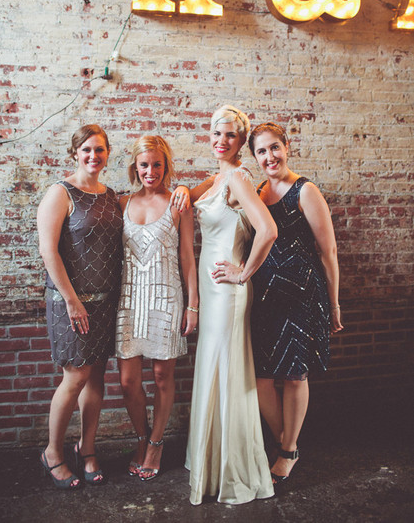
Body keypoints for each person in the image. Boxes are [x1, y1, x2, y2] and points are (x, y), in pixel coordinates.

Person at [174, 105, 277, 505]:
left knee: (228, 370)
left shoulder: (237, 177)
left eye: (230, 135)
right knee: (214, 366)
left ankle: (232, 468)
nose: (221, 140)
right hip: (211, 292)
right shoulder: (219, 176)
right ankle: (212, 462)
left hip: (228, 292)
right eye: (216, 133)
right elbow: (192, 196)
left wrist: (243, 273)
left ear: (241, 141)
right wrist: (184, 188)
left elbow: (268, 230)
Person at [248, 121, 343, 484]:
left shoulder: (305, 191)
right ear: (254, 157)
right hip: (266, 299)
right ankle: (284, 440)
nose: (270, 156)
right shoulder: (256, 192)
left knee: (293, 375)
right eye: (261, 151)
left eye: (275, 147)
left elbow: (328, 252)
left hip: (303, 296)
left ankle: (287, 451)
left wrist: (334, 304)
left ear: (287, 146)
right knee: (261, 379)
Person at [37, 124, 123, 489]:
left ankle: (87, 449)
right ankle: (52, 452)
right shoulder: (60, 192)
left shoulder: (111, 195)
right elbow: (48, 251)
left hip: (104, 303)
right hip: (69, 302)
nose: (93, 156)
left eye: (99, 149)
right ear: (75, 153)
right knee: (75, 377)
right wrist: (72, 301)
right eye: (87, 149)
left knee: (97, 376)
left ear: (107, 154)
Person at [116, 135, 198, 481]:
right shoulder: (121, 202)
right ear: (135, 167)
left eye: (157, 164)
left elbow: (187, 257)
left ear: (166, 166)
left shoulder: (179, 203)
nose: (150, 171)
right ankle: (140, 435)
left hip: (166, 299)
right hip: (129, 301)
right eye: (144, 165)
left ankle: (155, 442)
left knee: (163, 376)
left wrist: (193, 305)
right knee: (127, 381)